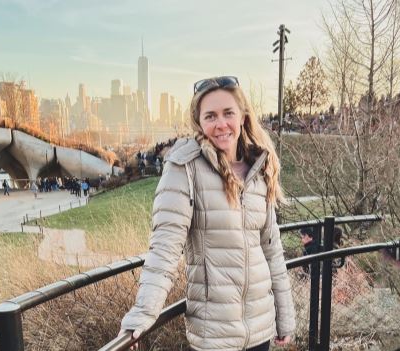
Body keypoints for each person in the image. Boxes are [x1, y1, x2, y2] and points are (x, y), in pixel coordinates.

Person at [119, 76, 296, 351]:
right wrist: (142, 315)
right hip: (214, 336)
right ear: (199, 122)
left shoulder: (259, 169)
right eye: (210, 116)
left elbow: (271, 250)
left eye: (228, 113)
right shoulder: (184, 168)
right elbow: (165, 248)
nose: (221, 124)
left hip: (260, 329)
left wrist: (285, 318)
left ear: (243, 116)